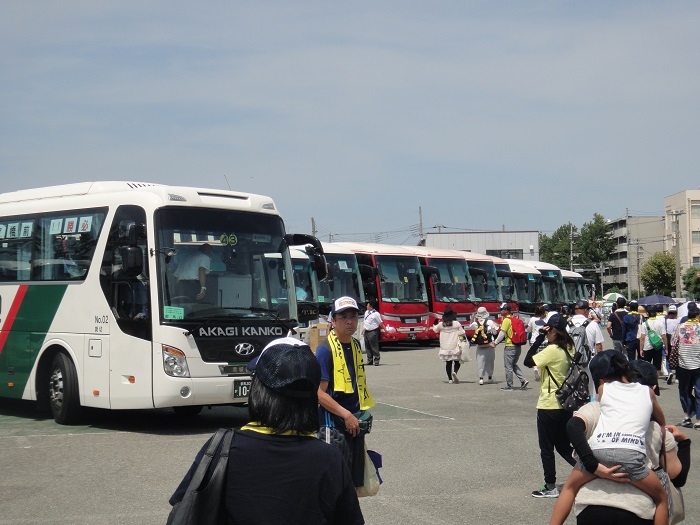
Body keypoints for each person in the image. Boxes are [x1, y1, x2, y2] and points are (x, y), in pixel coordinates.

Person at [169, 337, 364, 525]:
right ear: (311, 398)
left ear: (258, 391)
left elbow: (183, 508)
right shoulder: (329, 458)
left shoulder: (221, 449)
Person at [564, 351, 691, 525]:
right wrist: (684, 443)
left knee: (569, 488)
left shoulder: (594, 409)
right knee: (662, 498)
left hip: (590, 506)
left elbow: (573, 426)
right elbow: (678, 477)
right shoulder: (657, 429)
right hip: (638, 510)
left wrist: (593, 465)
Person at [316, 296, 375, 487]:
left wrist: (355, 415)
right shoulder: (325, 350)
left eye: (353, 316)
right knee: (333, 483)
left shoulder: (356, 345)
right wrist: (345, 414)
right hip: (332, 425)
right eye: (343, 317)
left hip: (353, 423)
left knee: (352, 483)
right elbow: (319, 393)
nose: (350, 321)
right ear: (333, 320)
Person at [523, 314, 577, 498]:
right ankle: (588, 470)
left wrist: (538, 338)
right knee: (563, 445)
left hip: (549, 404)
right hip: (565, 404)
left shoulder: (552, 350)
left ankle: (550, 486)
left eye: (548, 330)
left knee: (546, 448)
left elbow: (528, 360)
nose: (546, 333)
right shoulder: (569, 346)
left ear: (554, 331)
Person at [671, 301, 700, 429]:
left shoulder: (680, 327)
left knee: (684, 391)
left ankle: (687, 416)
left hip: (683, 365)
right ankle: (699, 420)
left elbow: (673, 343)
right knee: (699, 392)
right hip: (698, 364)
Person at [492, 302, 529, 391]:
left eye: (501, 310)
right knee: (513, 364)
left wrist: (495, 343)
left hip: (510, 346)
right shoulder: (514, 319)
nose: (500, 311)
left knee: (508, 366)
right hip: (518, 346)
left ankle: (509, 386)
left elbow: (502, 333)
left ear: (506, 311)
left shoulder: (506, 320)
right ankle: (523, 380)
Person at [432, 306, 466, 384]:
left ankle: (450, 379)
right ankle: (455, 372)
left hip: (445, 347)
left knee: (448, 362)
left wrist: (435, 322)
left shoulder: (441, 325)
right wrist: (464, 342)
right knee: (457, 361)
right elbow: (462, 333)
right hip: (455, 345)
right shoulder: (456, 323)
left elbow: (435, 330)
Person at [467, 306, 498, 385]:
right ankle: (490, 377)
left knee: (480, 362)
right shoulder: (490, 322)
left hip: (480, 346)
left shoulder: (475, 324)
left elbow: (469, 327)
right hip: (490, 345)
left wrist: (473, 318)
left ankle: (481, 378)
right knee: (490, 361)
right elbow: (495, 332)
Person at [639, 304, 668, 377]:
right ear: (656, 313)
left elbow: (642, 337)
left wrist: (641, 349)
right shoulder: (660, 323)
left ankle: (647, 380)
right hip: (658, 347)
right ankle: (656, 382)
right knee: (657, 366)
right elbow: (664, 336)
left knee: (646, 365)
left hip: (647, 347)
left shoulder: (645, 324)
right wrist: (666, 348)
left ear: (648, 313)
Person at [527, 305, 548, 381]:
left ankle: (535, 369)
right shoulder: (545, 320)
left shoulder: (532, 319)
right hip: (543, 341)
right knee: (543, 358)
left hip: (533, 341)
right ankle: (543, 373)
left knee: (534, 357)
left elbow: (529, 330)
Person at [361, 300, 385, 366]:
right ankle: (369, 360)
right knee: (367, 347)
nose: (366, 306)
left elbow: (380, 323)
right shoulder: (366, 312)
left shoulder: (376, 314)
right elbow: (365, 322)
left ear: (371, 306)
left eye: (368, 305)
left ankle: (376, 360)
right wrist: (363, 330)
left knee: (374, 346)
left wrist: (385, 330)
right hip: (367, 331)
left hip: (373, 331)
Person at [663, 304, 680, 384]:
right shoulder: (679, 320)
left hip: (668, 339)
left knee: (667, 356)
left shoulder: (665, 320)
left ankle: (669, 371)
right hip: (677, 340)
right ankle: (677, 376)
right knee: (677, 357)